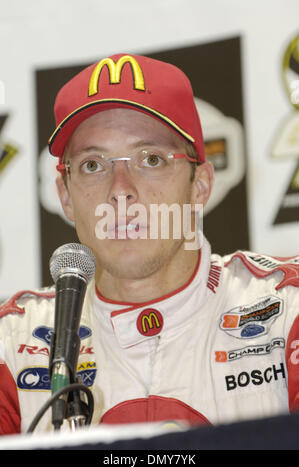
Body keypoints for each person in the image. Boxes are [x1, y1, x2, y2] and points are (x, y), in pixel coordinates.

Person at [1, 53, 299, 436]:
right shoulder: (12, 344)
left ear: (201, 184)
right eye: (93, 165)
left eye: (151, 159)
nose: (121, 191)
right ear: (66, 196)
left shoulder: (286, 310)